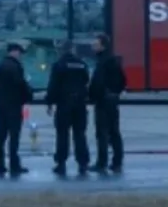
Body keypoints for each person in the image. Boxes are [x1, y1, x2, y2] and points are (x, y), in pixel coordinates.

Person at [46, 40, 91, 176]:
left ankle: (61, 163)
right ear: (72, 49)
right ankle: (83, 163)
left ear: (62, 50)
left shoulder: (59, 65)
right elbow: (86, 81)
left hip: (64, 104)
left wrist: (49, 103)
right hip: (80, 104)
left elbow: (53, 85)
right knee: (80, 134)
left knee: (62, 134)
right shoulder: (82, 64)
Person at [0, 42, 33, 176]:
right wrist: (28, 96)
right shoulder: (15, 67)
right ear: (14, 52)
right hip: (14, 105)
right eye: (20, 53)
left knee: (1, 135)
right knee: (14, 136)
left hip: (1, 105)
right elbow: (21, 84)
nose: (20, 56)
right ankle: (14, 164)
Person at [88, 33, 126, 173]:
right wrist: (115, 93)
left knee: (102, 133)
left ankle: (102, 162)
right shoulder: (114, 60)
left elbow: (97, 82)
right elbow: (123, 81)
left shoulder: (102, 62)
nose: (93, 46)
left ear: (102, 45)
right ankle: (117, 161)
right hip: (113, 100)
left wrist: (92, 96)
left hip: (103, 101)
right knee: (114, 131)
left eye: (95, 44)